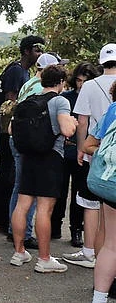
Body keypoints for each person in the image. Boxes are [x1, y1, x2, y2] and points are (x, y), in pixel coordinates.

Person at [9, 64, 77, 273]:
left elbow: (11, 129)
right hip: (50, 158)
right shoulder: (59, 101)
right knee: (44, 209)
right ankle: (44, 258)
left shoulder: (29, 100)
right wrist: (73, 123)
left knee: (22, 205)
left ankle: (19, 252)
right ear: (61, 82)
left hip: (28, 156)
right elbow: (67, 130)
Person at [0, 35, 45, 233]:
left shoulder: (24, 72)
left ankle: (1, 218)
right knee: (7, 172)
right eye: (37, 49)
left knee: (8, 171)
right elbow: (10, 102)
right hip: (6, 128)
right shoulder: (16, 70)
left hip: (11, 128)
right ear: (27, 50)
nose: (40, 54)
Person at [65, 44, 116, 268]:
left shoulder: (90, 85)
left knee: (91, 204)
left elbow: (83, 120)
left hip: (96, 151)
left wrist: (80, 148)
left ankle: (89, 252)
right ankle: (107, 253)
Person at [79, 81, 116, 303]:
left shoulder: (113, 109)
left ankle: (99, 298)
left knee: (111, 244)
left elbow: (88, 145)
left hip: (110, 182)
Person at [55, 62, 98, 248]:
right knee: (59, 190)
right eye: (79, 80)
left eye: (86, 81)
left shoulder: (94, 97)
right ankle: (55, 225)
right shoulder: (66, 97)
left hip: (84, 151)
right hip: (65, 150)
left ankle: (76, 230)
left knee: (79, 194)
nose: (82, 84)